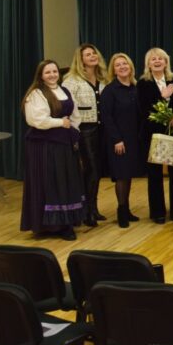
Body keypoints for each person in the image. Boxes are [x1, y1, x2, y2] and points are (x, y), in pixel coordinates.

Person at [20, 60, 85, 240]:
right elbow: (37, 120)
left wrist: (73, 130)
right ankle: (50, 225)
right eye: (47, 72)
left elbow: (75, 115)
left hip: (64, 143)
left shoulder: (65, 91)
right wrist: (60, 123)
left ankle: (66, 222)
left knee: (66, 181)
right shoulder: (36, 94)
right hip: (44, 145)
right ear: (41, 75)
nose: (52, 75)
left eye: (55, 71)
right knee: (50, 182)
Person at [138, 47, 173, 224]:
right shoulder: (143, 83)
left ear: (166, 62)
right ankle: (158, 212)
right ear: (148, 64)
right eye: (153, 59)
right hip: (152, 133)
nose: (157, 61)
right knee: (155, 174)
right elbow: (144, 108)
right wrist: (163, 97)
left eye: (161, 58)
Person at [62, 43, 108, 227]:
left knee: (98, 170)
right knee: (91, 169)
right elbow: (67, 107)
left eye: (94, 53)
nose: (92, 56)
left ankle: (93, 208)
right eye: (88, 54)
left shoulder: (103, 78)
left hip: (101, 129)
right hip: (84, 129)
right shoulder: (71, 80)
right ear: (80, 60)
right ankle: (86, 211)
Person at [100, 52, 143, 228]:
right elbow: (107, 117)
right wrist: (116, 139)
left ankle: (127, 209)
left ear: (130, 67)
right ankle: (121, 211)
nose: (122, 67)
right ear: (114, 70)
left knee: (128, 173)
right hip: (118, 140)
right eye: (118, 65)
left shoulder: (136, 87)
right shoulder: (110, 90)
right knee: (121, 175)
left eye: (125, 64)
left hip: (134, 139)